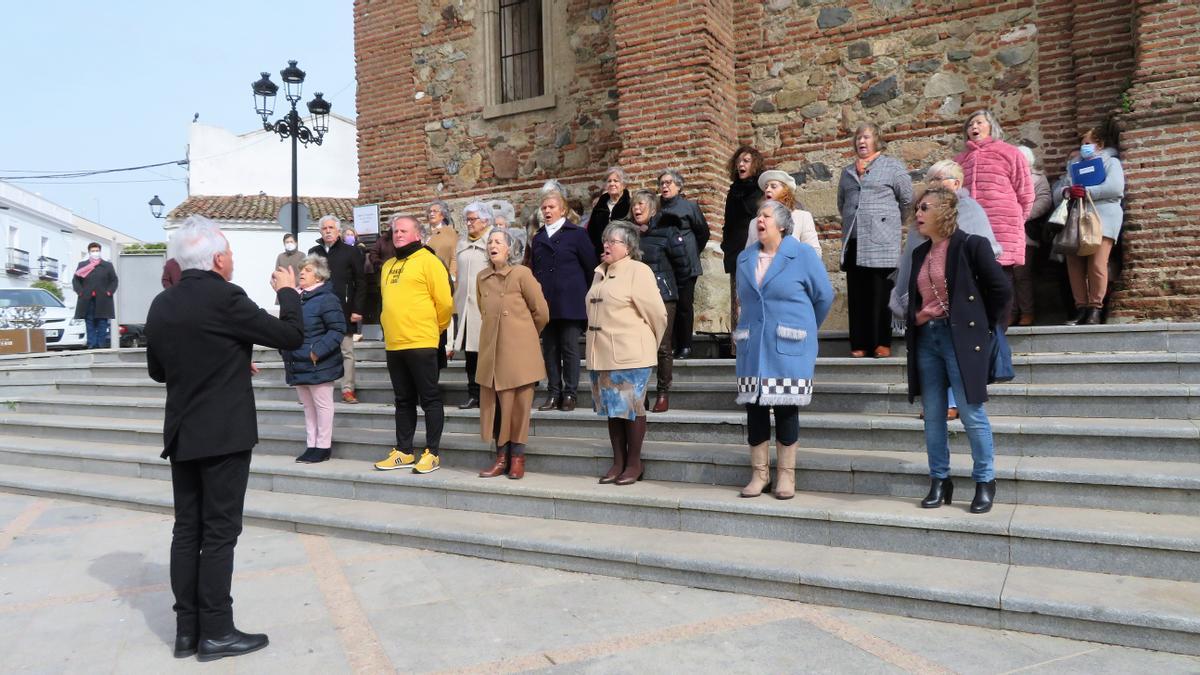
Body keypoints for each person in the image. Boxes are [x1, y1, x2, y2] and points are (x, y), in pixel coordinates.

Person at [145, 216, 303, 661]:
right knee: (218, 533)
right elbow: (291, 336)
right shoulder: (226, 296)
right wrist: (288, 291)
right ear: (217, 258)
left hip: (183, 431)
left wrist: (227, 359)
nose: (232, 258)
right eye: (230, 251)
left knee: (186, 529)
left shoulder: (163, 304)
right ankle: (216, 631)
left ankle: (186, 631)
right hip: (223, 434)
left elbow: (161, 371)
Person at [904, 187, 1010, 514]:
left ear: (945, 212)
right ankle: (940, 481)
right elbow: (915, 299)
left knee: (971, 413)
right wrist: (917, 316)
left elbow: (1001, 289)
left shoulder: (971, 245)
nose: (918, 214)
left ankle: (985, 481)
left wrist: (986, 327)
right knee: (933, 416)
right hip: (927, 340)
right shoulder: (919, 253)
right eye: (917, 208)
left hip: (961, 340)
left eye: (925, 208)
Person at [734, 201, 834, 500]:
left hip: (788, 345)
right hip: (753, 345)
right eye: (757, 215)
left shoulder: (801, 254)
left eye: (765, 215)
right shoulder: (744, 258)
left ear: (781, 224)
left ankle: (786, 476)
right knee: (755, 409)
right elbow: (744, 300)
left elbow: (824, 296)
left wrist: (804, 329)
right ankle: (759, 474)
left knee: (787, 408)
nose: (759, 219)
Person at [891, 160, 1001, 422]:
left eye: (941, 179)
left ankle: (956, 404)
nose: (936, 185)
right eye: (932, 179)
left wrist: (988, 317)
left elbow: (984, 258)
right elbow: (911, 257)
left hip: (962, 304)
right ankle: (942, 406)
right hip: (929, 308)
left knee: (960, 368)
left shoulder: (970, 208)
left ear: (957, 183)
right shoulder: (924, 212)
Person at [586, 220, 668, 485]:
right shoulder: (600, 272)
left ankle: (634, 463)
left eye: (613, 241)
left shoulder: (638, 270)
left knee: (631, 409)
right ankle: (618, 461)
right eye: (605, 240)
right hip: (602, 354)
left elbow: (657, 314)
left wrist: (646, 345)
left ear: (629, 247)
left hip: (631, 353)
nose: (606, 245)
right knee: (613, 409)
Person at [374, 215, 453, 474]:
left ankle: (432, 452)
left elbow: (444, 303)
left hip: (421, 341)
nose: (398, 234)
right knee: (403, 400)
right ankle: (404, 451)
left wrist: (435, 330)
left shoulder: (429, 261)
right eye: (395, 231)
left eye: (403, 230)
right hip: (395, 344)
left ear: (417, 234)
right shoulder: (387, 266)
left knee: (429, 398)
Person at [475, 227, 549, 480]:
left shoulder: (521, 274)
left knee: (518, 408)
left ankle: (516, 458)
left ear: (511, 248)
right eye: (490, 242)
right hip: (492, 354)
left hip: (519, 355)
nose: (492, 245)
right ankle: (501, 457)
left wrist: (524, 336)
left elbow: (541, 312)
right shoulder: (482, 277)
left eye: (498, 241)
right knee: (496, 409)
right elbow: (484, 312)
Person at [837, 122, 913, 359]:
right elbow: (842, 204)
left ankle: (881, 342)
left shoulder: (893, 167)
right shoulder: (847, 172)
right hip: (855, 239)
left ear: (877, 140)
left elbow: (907, 200)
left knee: (880, 293)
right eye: (858, 138)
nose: (861, 141)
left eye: (866, 137)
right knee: (858, 294)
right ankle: (859, 343)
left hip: (882, 240)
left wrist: (887, 224)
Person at [955, 110, 1033, 313]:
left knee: (1000, 278)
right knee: (973, 278)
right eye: (970, 124)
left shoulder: (1010, 152)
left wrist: (1016, 221)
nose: (974, 127)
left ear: (991, 126)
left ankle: (999, 329)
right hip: (970, 227)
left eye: (979, 122)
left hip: (1003, 225)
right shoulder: (960, 160)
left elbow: (1025, 192)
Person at [531, 180, 596, 411]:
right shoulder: (538, 238)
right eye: (544, 208)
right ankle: (553, 392)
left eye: (551, 207)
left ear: (563, 210)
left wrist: (587, 300)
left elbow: (591, 267)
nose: (547, 211)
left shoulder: (577, 235)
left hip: (570, 302)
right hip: (546, 303)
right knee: (549, 350)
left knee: (569, 349)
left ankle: (570, 394)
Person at [1052, 122, 1126, 325]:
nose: (1083, 147)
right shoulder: (1074, 166)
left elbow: (1116, 187)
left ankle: (1095, 307)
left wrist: (1087, 191)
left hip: (1103, 217)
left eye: (1087, 143)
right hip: (1076, 218)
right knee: (1074, 265)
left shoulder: (1111, 162)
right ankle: (1080, 307)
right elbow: (1059, 192)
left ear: (1099, 144)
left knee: (1097, 263)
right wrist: (1068, 192)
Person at [281, 254, 346, 464]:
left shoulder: (327, 298)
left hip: (319, 363)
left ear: (319, 276)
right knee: (308, 407)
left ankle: (323, 446)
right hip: (297, 362)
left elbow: (337, 329)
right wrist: (285, 350)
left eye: (307, 270)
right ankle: (312, 445)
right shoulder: (296, 297)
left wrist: (317, 351)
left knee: (323, 405)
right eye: (301, 269)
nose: (302, 273)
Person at [632, 191, 689, 412]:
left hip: (663, 297)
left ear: (653, 208)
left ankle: (663, 393)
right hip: (636, 298)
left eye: (642, 205)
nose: (637, 209)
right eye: (634, 205)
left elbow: (683, 266)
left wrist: (671, 287)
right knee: (639, 348)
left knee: (663, 347)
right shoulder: (630, 234)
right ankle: (641, 393)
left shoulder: (668, 231)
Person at [308, 215, 365, 404]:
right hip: (319, 309)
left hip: (344, 308)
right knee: (320, 348)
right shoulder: (314, 252)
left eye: (331, 227)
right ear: (320, 231)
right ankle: (320, 388)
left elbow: (361, 282)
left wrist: (357, 309)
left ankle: (347, 389)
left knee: (346, 351)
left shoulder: (351, 252)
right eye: (324, 228)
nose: (328, 231)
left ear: (338, 230)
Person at [658, 169, 709, 359]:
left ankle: (685, 346)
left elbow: (703, 233)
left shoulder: (689, 207)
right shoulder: (656, 207)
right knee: (666, 307)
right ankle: (668, 345)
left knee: (684, 306)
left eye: (669, 182)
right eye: (662, 183)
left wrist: (692, 252)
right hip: (664, 266)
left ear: (679, 186)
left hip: (686, 265)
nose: (665, 186)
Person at [451, 201, 495, 409]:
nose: (468, 223)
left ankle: (489, 393)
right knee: (471, 354)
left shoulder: (493, 241)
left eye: (472, 219)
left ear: (485, 220)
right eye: (467, 219)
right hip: (466, 306)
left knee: (487, 352)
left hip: (486, 306)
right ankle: (473, 393)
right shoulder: (462, 243)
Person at [721, 146, 765, 339]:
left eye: (746, 161)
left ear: (755, 164)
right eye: (739, 161)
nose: (741, 164)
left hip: (757, 251)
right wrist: (726, 246)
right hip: (736, 252)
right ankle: (738, 348)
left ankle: (759, 341)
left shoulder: (761, 190)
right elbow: (728, 223)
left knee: (757, 299)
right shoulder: (733, 191)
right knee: (738, 302)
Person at [1013, 145, 1053, 326]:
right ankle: (1010, 312)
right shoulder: (1005, 178)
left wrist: (1020, 216)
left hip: (1025, 232)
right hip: (1004, 233)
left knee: (1022, 275)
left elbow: (1044, 201)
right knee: (1005, 276)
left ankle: (1027, 312)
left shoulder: (1038, 178)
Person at [748, 170, 822, 256]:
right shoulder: (755, 222)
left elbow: (814, 252)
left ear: (785, 192)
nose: (768, 190)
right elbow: (748, 256)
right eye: (766, 187)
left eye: (773, 186)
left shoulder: (802, 217)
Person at [73, 242, 119, 349]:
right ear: (89, 252)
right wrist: (80, 292)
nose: (95, 253)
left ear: (100, 251)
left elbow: (114, 280)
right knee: (89, 321)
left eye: (97, 250)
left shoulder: (107, 265)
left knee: (102, 321)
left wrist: (109, 292)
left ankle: (101, 343)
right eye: (93, 251)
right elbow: (76, 280)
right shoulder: (82, 265)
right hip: (87, 298)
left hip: (103, 299)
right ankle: (91, 343)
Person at [586, 166, 631, 260]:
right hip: (601, 257)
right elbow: (591, 233)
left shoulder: (630, 205)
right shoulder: (599, 206)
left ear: (623, 184)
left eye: (616, 181)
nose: (612, 184)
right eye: (609, 181)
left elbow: (632, 233)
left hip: (625, 256)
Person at [426, 199, 459, 276]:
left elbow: (454, 256)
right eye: (430, 212)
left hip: (442, 275)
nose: (431, 214)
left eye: (435, 211)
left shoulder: (450, 232)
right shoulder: (424, 233)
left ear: (443, 215)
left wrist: (452, 276)